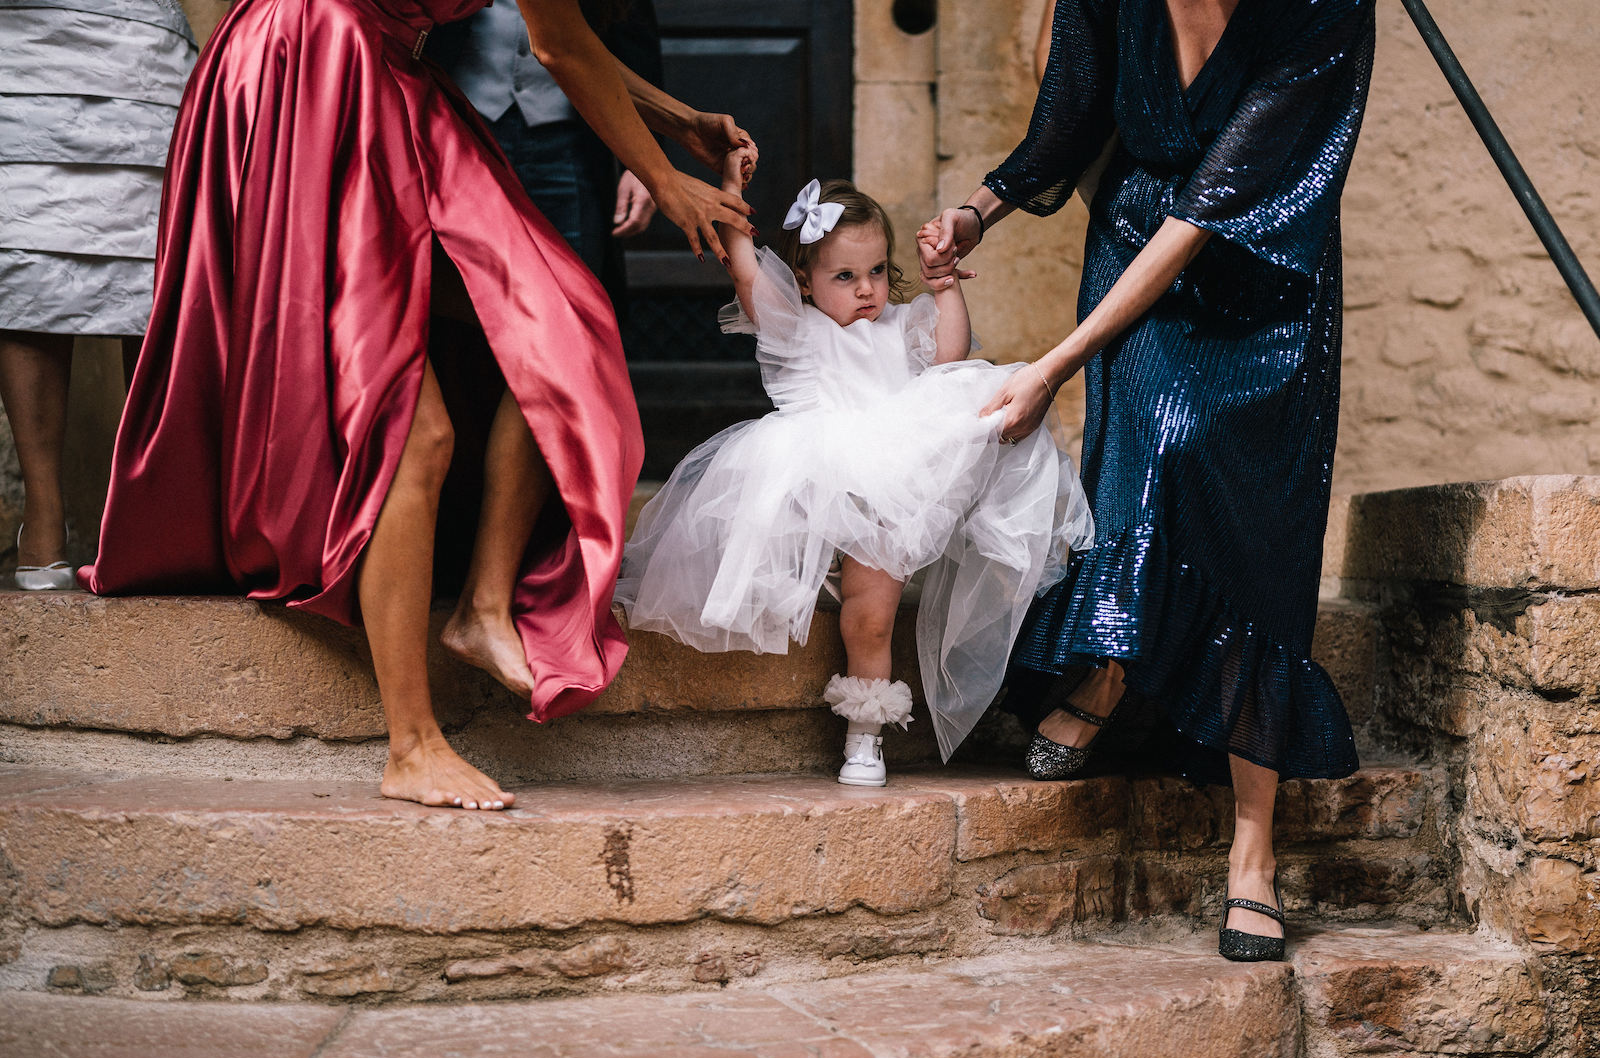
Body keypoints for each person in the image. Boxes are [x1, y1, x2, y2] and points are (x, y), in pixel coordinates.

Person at [80, 0, 757, 812]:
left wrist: (681, 121)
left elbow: (561, 35)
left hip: (387, 70)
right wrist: (664, 178)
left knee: (562, 323)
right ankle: (412, 745)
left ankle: (481, 606)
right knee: (414, 422)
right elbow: (559, 43)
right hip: (313, 67)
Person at [920, 0, 1375, 961]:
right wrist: (979, 212)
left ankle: (1254, 846)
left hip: (1267, 293)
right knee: (1151, 461)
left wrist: (1054, 366)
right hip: (1135, 258)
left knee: (1262, 542)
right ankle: (1114, 664)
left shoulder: (1325, 9)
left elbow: (1218, 202)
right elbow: (1073, 114)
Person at [617, 160, 1093, 786]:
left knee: (869, 616)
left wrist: (945, 283)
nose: (866, 289)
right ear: (807, 283)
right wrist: (732, 195)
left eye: (875, 271)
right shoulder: (799, 331)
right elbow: (744, 269)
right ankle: (819, 571)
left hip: (887, 493)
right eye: (844, 276)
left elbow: (951, 358)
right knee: (781, 537)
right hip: (815, 476)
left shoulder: (899, 326)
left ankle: (864, 734)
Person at [0, 0, 197, 590]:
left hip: (137, 40)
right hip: (23, 47)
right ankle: (44, 518)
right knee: (27, 253)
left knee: (156, 270)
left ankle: (148, 515)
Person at [429, 0, 661, 304]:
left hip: (567, 146)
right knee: (461, 298)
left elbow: (634, 43)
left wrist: (645, 164)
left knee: (574, 298)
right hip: (462, 136)